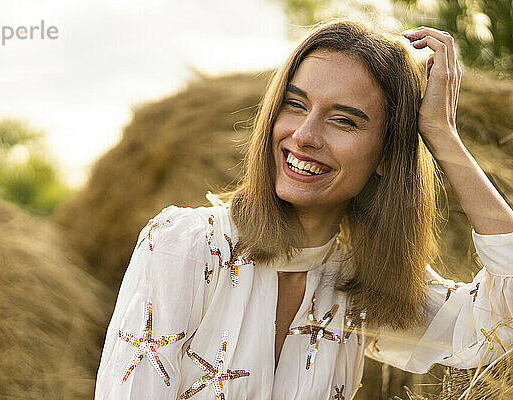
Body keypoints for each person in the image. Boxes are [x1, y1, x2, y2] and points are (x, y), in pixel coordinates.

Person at [94, 18, 513, 400]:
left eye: (344, 121)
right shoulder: (183, 246)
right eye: (295, 105)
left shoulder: (361, 279)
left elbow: (499, 324)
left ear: (387, 154)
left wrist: (441, 133)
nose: (305, 135)